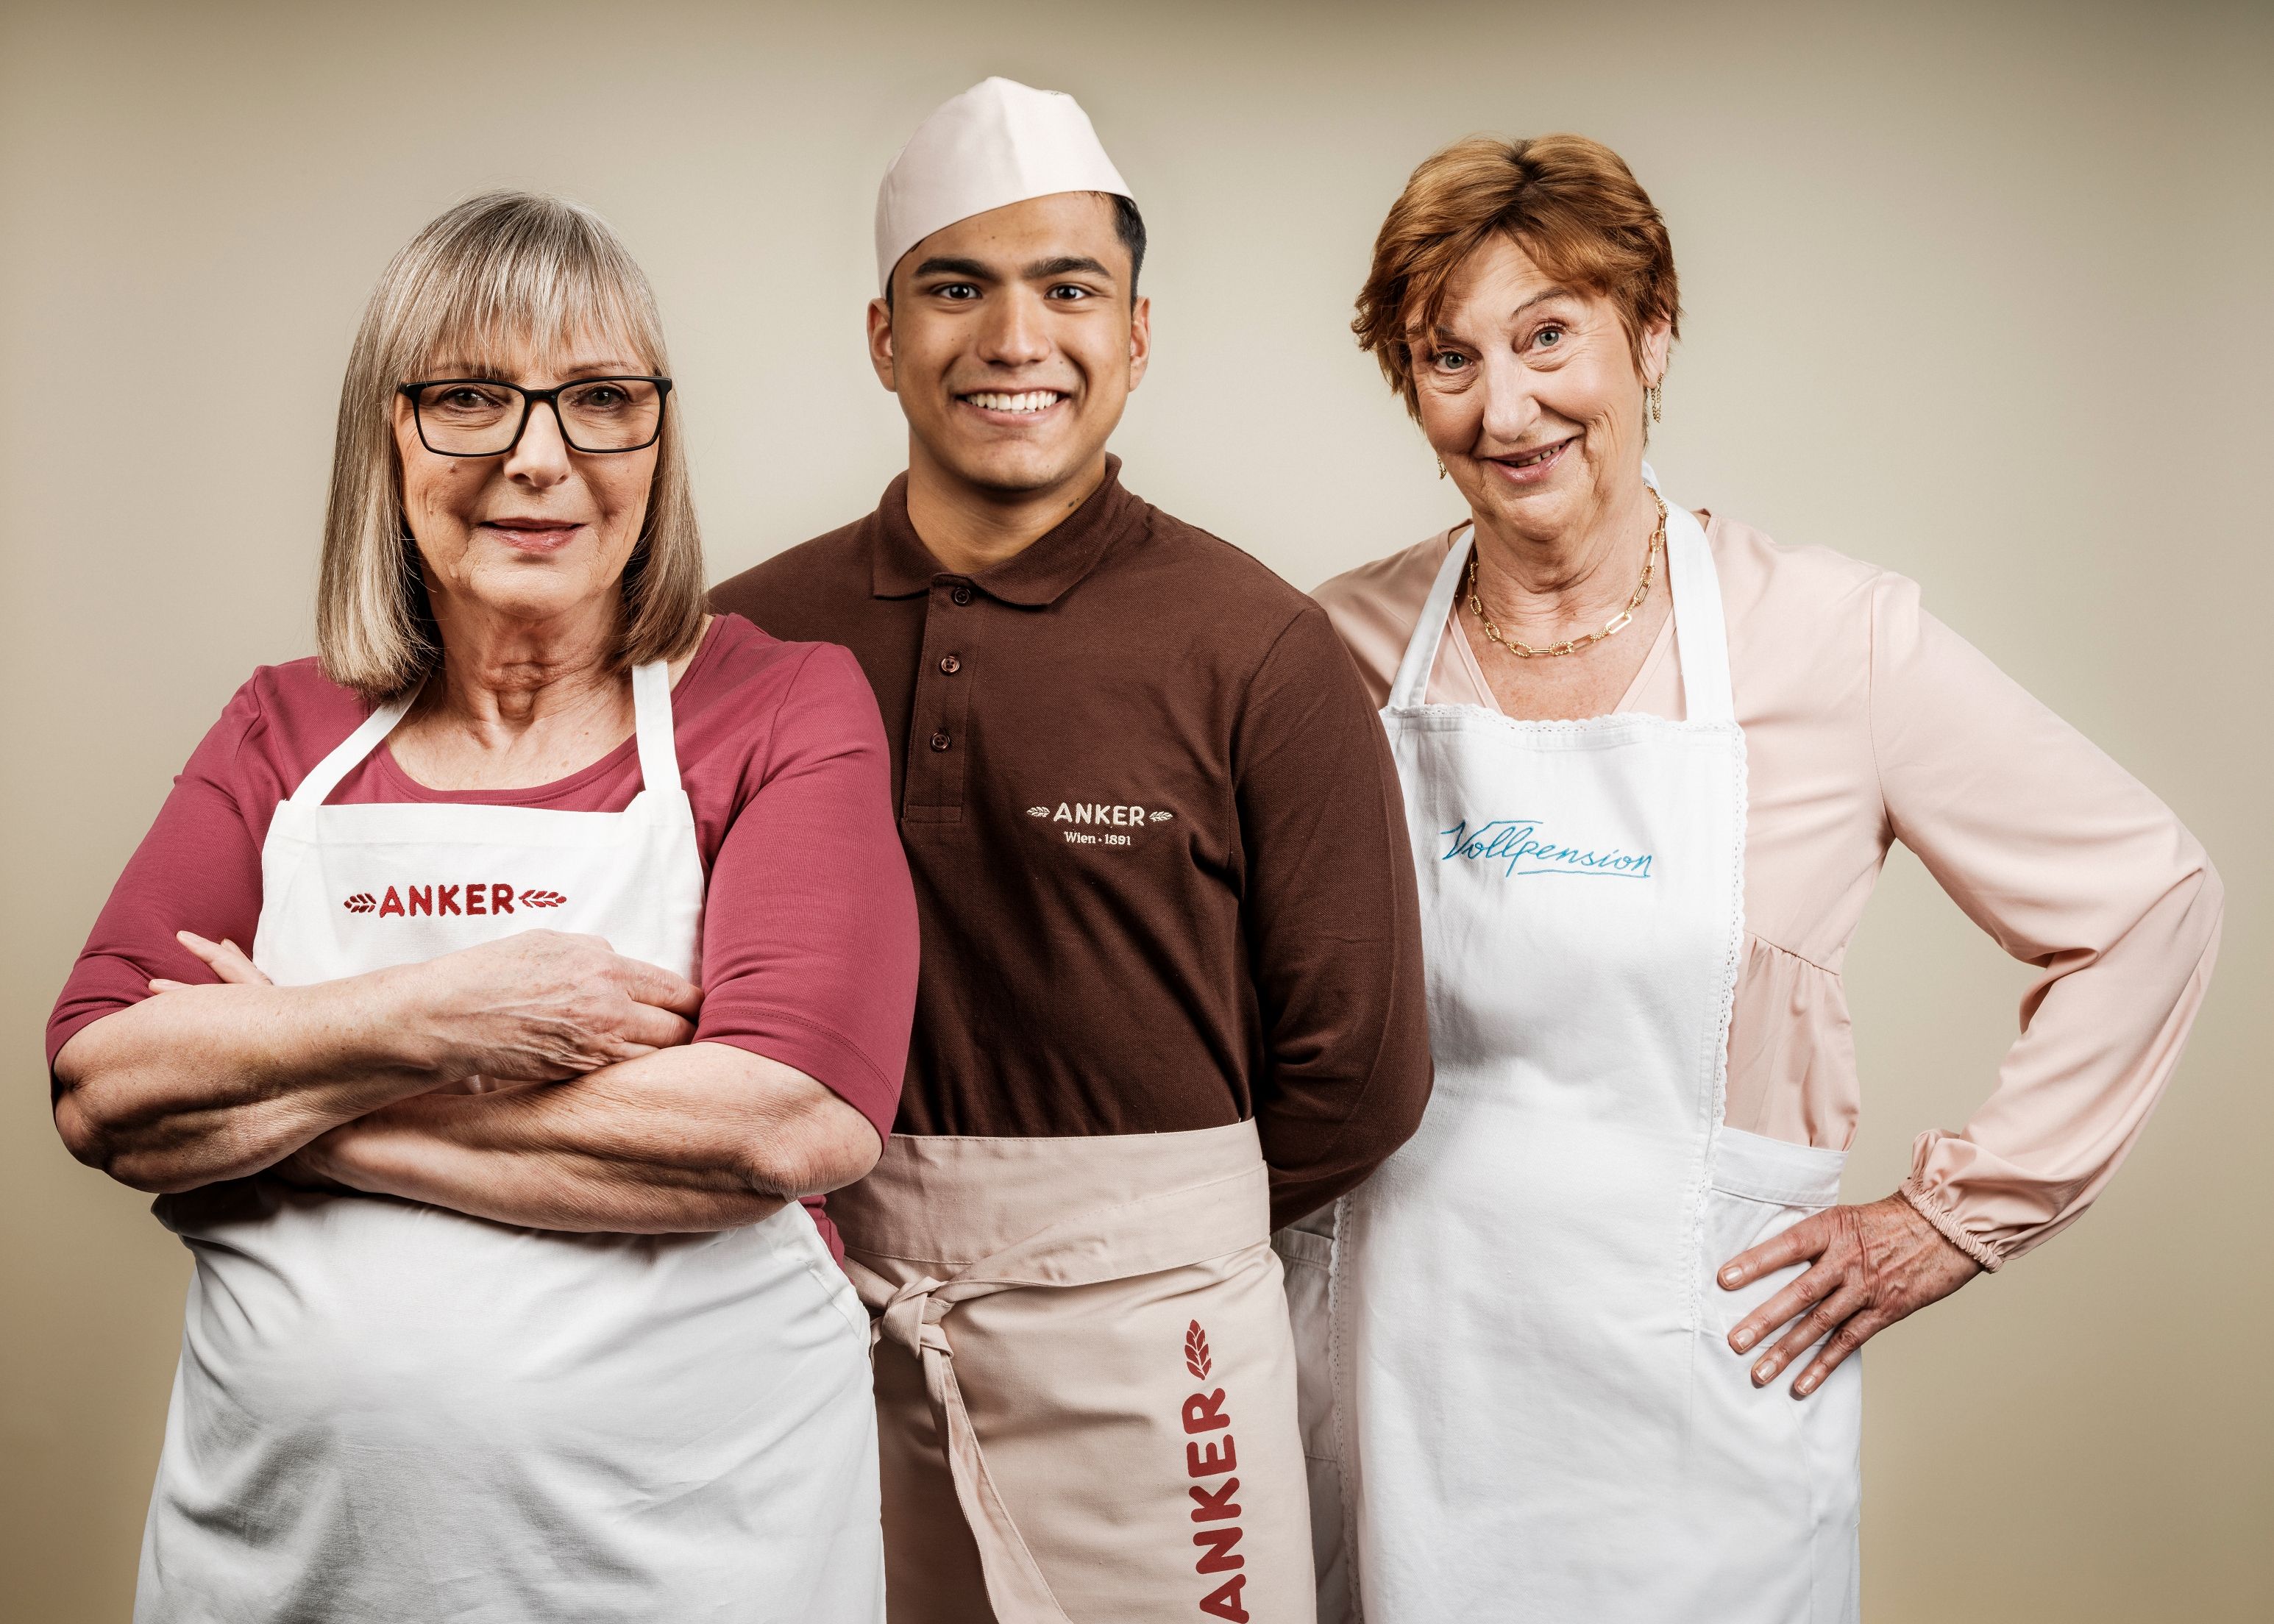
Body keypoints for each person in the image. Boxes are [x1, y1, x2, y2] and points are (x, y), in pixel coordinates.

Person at [1298, 134, 2224, 1623]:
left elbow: (2147, 902)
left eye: (1549, 337)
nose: (1506, 405)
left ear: (1650, 331)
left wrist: (1949, 1219)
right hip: (1402, 1392)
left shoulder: (1828, 638)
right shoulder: (1330, 651)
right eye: (1445, 358)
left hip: (1704, 1402)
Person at [48, 191, 917, 1623]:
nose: (537, 458)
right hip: (285, 1558)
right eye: (468, 398)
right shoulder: (285, 725)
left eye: (598, 400)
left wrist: (290, 1084)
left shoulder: (774, 703)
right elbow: (103, 1091)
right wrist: (448, 1012)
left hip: (695, 1552)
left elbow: (784, 1122)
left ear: (657, 436)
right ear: (385, 438)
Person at [711, 78, 1432, 1624]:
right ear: (883, 334)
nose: (1014, 337)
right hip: (810, 1325)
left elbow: (1362, 1071)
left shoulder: (1257, 649)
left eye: (1068, 288)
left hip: (1153, 1341)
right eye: (956, 287)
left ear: (1138, 336)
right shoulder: (742, 641)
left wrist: (1123, 1242)